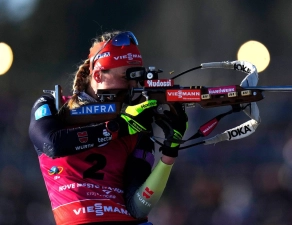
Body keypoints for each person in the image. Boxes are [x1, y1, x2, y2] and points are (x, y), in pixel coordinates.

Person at [29, 31, 188, 225]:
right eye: (126, 77)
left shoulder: (137, 120)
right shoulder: (54, 105)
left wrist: (170, 153)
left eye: (137, 78)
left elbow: (139, 207)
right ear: (97, 74)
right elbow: (53, 145)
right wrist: (119, 126)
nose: (132, 86)